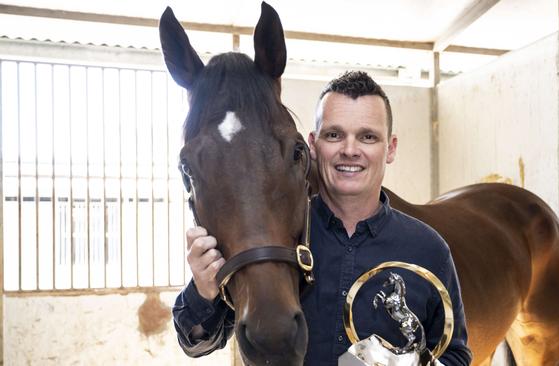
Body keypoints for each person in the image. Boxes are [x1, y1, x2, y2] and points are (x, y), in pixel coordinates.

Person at [172, 71, 472, 366]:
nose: (350, 150)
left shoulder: (429, 250)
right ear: (313, 145)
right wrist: (203, 290)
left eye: (368, 137)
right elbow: (197, 342)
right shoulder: (274, 236)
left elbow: (455, 355)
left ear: (390, 148)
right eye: (334, 135)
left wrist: (395, 362)